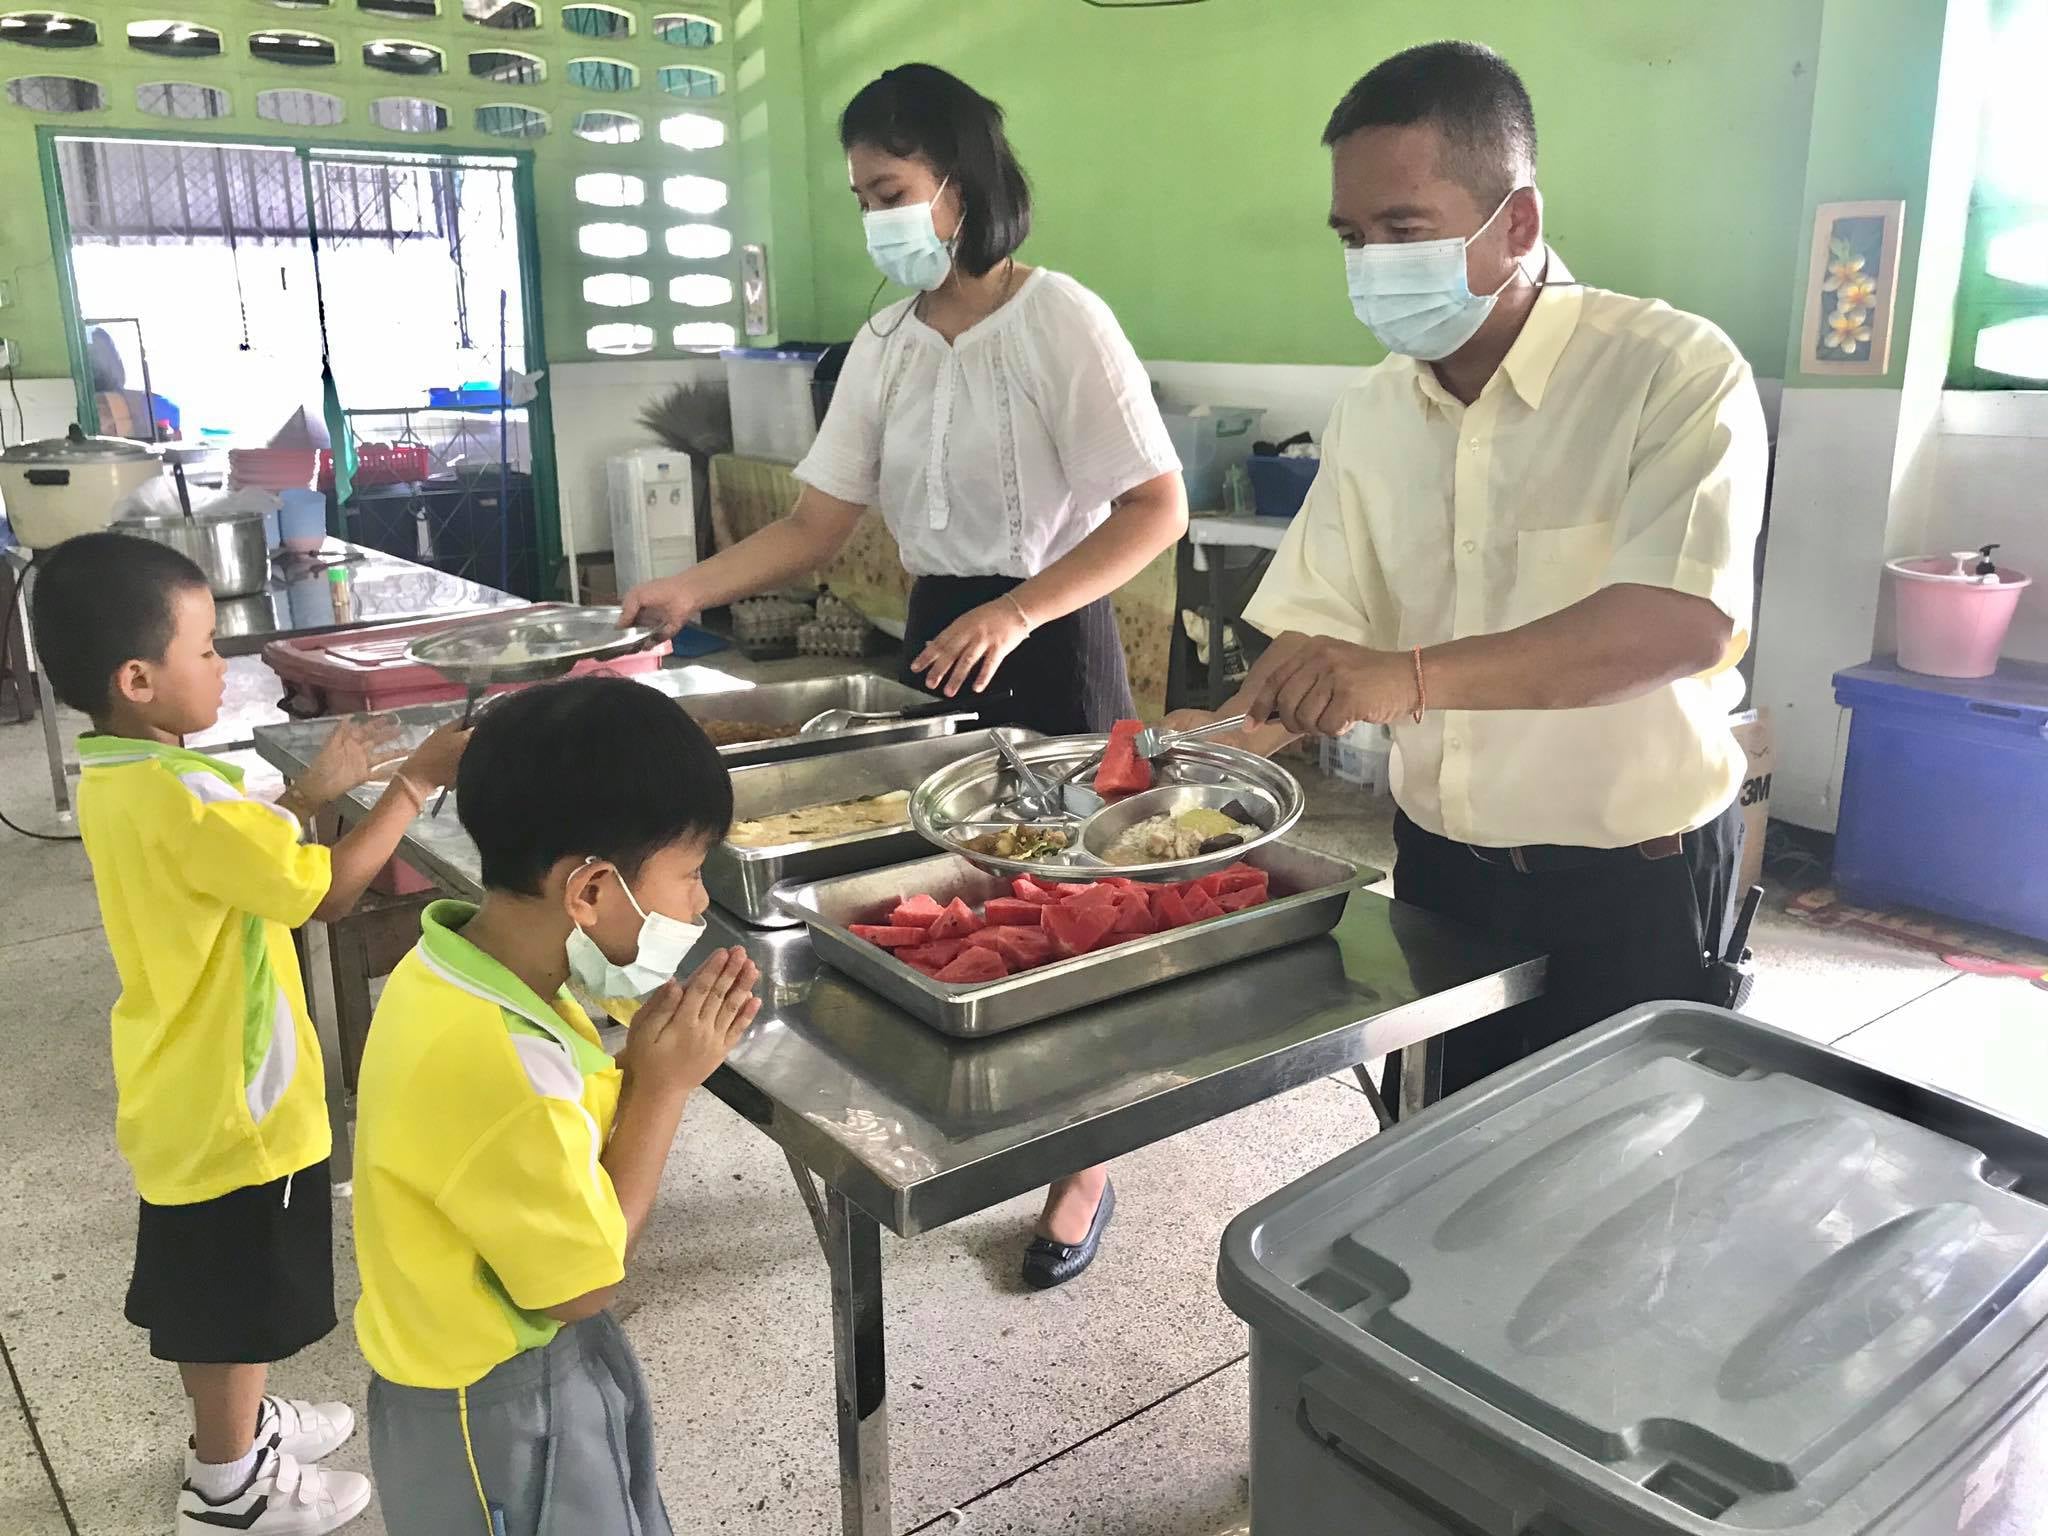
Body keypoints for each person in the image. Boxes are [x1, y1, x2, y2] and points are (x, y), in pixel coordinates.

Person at [623, 62, 1188, 1288]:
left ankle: (1082, 1165)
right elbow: (814, 525)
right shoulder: (882, 344)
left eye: (889, 191)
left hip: (1054, 635)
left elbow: (1154, 508)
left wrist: (1019, 608)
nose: (874, 219)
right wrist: (686, 589)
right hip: (942, 635)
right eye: (862, 198)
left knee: (1076, 904)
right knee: (951, 894)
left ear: (959, 185)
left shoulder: (1060, 318)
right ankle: (975, 1116)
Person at [1181, 42, 1766, 1098]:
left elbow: (1677, 625)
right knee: (1438, 1154)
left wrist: (1406, 678)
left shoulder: (1669, 370)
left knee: (1614, 1169)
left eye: (1403, 230)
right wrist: (1212, 749)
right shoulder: (1372, 411)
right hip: (1441, 873)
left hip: (1633, 883)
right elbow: (1320, 640)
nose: (1371, 264)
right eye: (1351, 237)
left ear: (1518, 224)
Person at [27, 531, 469, 1535]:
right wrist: (410, 786)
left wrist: (308, 797)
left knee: (208, 1290)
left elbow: (227, 855)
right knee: (236, 1304)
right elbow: (329, 891)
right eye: (204, 650)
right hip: (241, 1105)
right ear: (138, 679)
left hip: (180, 1084)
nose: (222, 667)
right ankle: (228, 1487)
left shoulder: (126, 776)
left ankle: (239, 1425)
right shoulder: (187, 798)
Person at [351, 677, 762, 1536]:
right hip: (495, 1410)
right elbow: (586, 1284)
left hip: (500, 1366)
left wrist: (637, 1056)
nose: (698, 903)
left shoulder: (462, 968)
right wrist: (663, 1089)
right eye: (691, 874)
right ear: (591, 891)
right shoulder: (505, 1063)